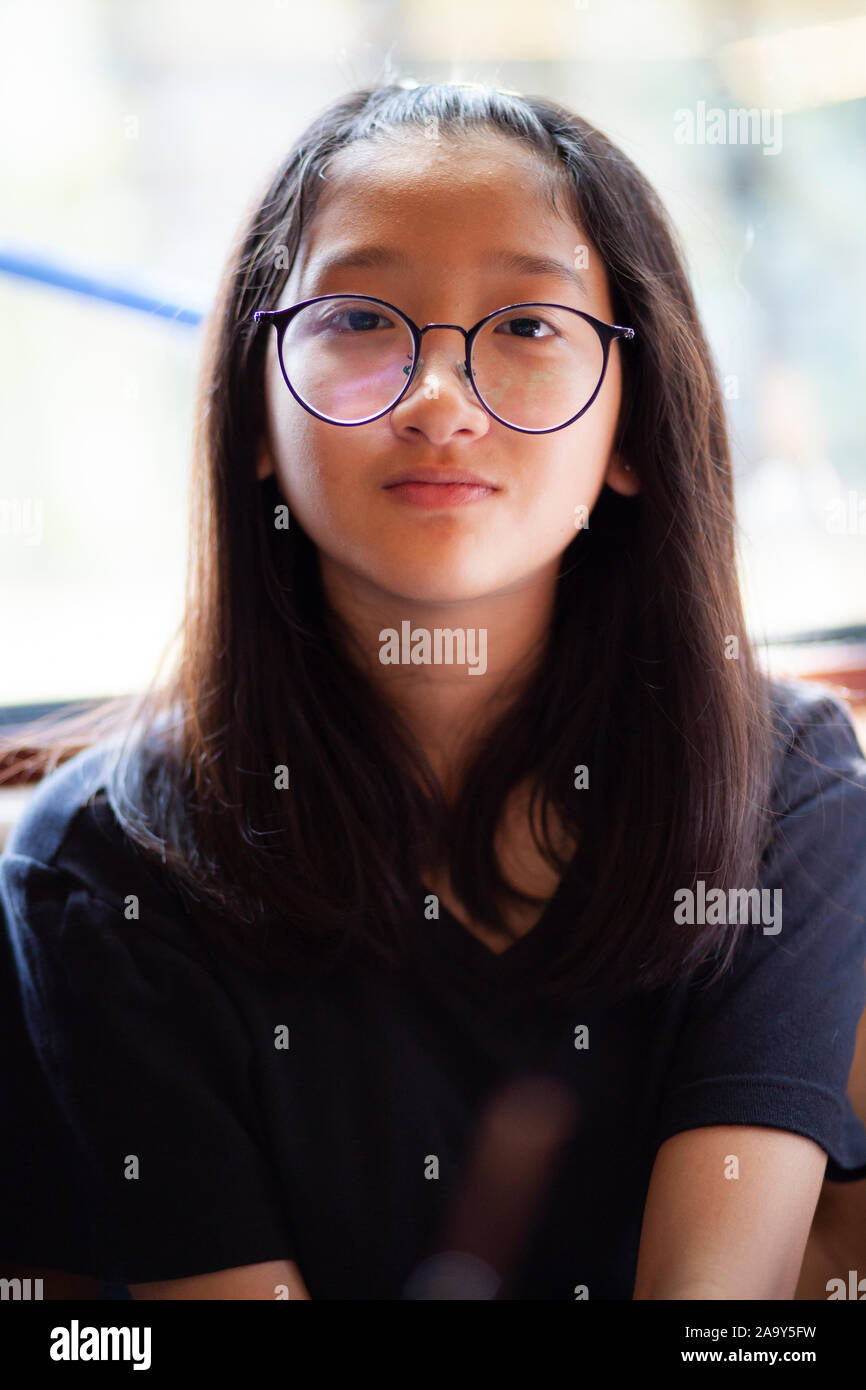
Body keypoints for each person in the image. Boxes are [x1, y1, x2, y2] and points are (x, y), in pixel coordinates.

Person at [1, 79, 865, 1302]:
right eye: (358, 317)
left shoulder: (787, 791)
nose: (436, 400)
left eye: (524, 326)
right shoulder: (106, 866)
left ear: (629, 429)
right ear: (255, 410)